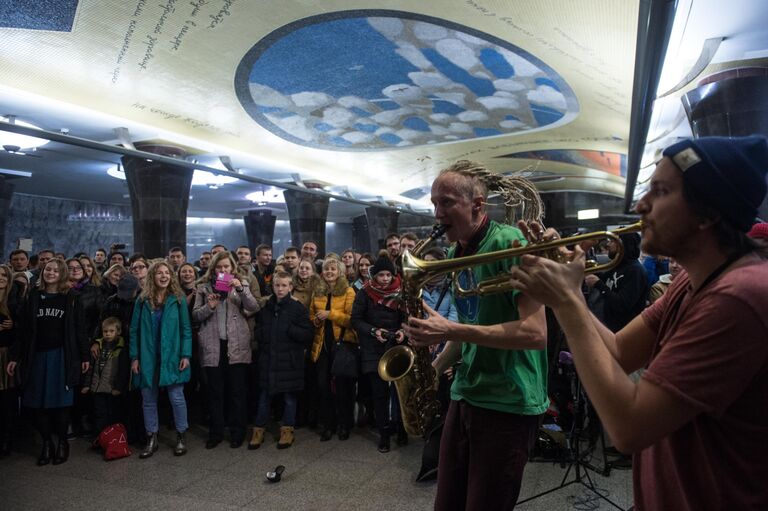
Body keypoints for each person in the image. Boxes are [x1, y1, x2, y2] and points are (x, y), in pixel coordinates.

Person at [509, 136, 768, 510]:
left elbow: (628, 428)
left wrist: (565, 303)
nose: (639, 205)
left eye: (660, 192)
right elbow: (618, 352)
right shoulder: (691, 280)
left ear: (709, 213)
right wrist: (572, 292)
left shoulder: (738, 296)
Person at [402, 160, 548, 510]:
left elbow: (535, 333)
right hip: (467, 393)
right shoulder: (455, 252)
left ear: (477, 205)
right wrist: (431, 369)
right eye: (434, 203)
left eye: (447, 202)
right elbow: (469, 326)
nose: (437, 213)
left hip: (508, 400)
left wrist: (449, 327)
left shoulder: (509, 242)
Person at [8, 258, 90, 466]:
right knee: (37, 404)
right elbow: (24, 331)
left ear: (62, 274)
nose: (51, 273)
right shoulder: (33, 296)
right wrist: (15, 357)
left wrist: (84, 356)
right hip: (36, 357)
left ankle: (62, 442)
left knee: (60, 404)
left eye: (55, 270)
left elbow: (79, 330)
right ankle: (46, 442)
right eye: (47, 269)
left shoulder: (71, 297)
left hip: (61, 356)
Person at [193, 251, 259, 449]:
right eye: (219, 267)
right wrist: (210, 306)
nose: (223, 270)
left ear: (232, 268)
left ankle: (237, 432)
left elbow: (253, 306)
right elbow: (196, 315)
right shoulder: (203, 288)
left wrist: (240, 290)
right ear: (213, 269)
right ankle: (216, 432)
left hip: (236, 345)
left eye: (226, 267)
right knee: (215, 392)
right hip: (214, 345)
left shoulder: (242, 284)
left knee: (237, 391)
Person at [130, 261, 192, 458]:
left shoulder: (178, 299)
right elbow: (134, 330)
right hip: (148, 356)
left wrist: (185, 354)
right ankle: (152, 437)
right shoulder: (142, 300)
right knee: (148, 399)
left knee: (176, 396)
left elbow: (186, 329)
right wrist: (135, 357)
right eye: (159, 273)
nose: (164, 276)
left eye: (167, 273)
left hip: (172, 355)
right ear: (152, 277)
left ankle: (181, 435)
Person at [250, 271, 314, 449]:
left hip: (289, 361)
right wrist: (264, 336)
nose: (280, 289)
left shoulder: (297, 308)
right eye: (277, 285)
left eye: (284, 285)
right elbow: (259, 329)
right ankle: (258, 430)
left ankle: (287, 430)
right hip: (269, 360)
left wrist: (291, 331)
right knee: (264, 397)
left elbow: (307, 333)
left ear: (290, 287)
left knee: (289, 398)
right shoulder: (266, 307)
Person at [351, 255, 407, 453]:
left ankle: (402, 430)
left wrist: (403, 330)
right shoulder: (365, 293)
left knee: (400, 393)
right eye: (381, 275)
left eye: (388, 275)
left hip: (396, 347)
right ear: (374, 276)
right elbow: (356, 320)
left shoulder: (401, 291)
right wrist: (374, 331)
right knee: (379, 394)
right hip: (374, 348)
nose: (385, 278)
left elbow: (406, 317)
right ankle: (384, 435)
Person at [309, 257, 357, 441]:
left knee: (343, 388)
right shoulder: (318, 291)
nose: (329, 272)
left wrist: (331, 314)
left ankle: (344, 424)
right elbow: (311, 316)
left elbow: (352, 319)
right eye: (326, 269)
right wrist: (316, 320)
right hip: (322, 345)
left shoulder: (348, 291)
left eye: (333, 269)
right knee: (323, 386)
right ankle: (328, 424)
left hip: (342, 344)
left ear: (340, 272)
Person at [89, 317, 129, 433]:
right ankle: (100, 437)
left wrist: (118, 387)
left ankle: (113, 438)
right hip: (98, 389)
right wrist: (89, 385)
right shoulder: (98, 346)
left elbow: (123, 370)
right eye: (105, 331)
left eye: (111, 331)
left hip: (112, 389)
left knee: (113, 415)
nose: (108, 334)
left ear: (119, 332)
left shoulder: (121, 348)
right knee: (99, 414)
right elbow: (93, 368)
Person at [0, 265, 20, 455]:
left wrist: (13, 324)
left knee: (7, 400)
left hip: (7, 353)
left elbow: (23, 330)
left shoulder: (14, 302)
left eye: (4, 275)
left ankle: (8, 439)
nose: (0, 278)